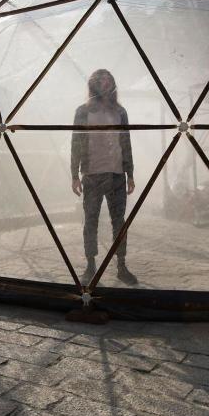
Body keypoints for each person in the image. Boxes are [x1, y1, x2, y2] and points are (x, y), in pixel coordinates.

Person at [71, 69, 137, 285]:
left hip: (117, 175)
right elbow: (76, 143)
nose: (105, 83)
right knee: (90, 221)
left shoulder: (121, 111)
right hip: (91, 175)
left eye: (109, 79)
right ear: (93, 84)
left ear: (113, 84)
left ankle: (121, 265)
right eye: (101, 80)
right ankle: (90, 266)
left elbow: (126, 143)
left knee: (119, 222)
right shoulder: (83, 111)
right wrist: (75, 175)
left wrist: (130, 174)